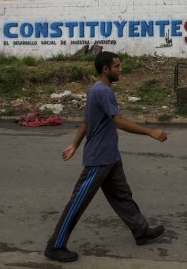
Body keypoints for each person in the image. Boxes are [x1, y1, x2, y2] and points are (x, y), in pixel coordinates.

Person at [44, 51, 168, 263]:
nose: (120, 70)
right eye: (117, 67)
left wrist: (74, 145)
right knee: (78, 201)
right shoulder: (103, 92)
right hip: (99, 159)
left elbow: (86, 121)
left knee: (122, 196)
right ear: (106, 69)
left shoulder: (96, 89)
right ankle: (55, 245)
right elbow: (118, 121)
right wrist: (150, 132)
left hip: (110, 157)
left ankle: (141, 231)